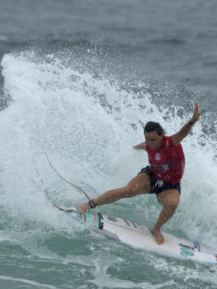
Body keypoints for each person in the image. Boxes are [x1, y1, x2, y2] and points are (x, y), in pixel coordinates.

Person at [77, 102, 202, 245]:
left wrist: (192, 121)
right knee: (128, 190)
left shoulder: (171, 142)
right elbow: (140, 146)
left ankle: (156, 229)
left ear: (162, 135)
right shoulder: (147, 145)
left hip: (170, 185)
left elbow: (182, 133)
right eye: (147, 139)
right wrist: (130, 150)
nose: (150, 143)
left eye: (153, 139)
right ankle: (90, 204)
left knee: (173, 203)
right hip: (151, 176)